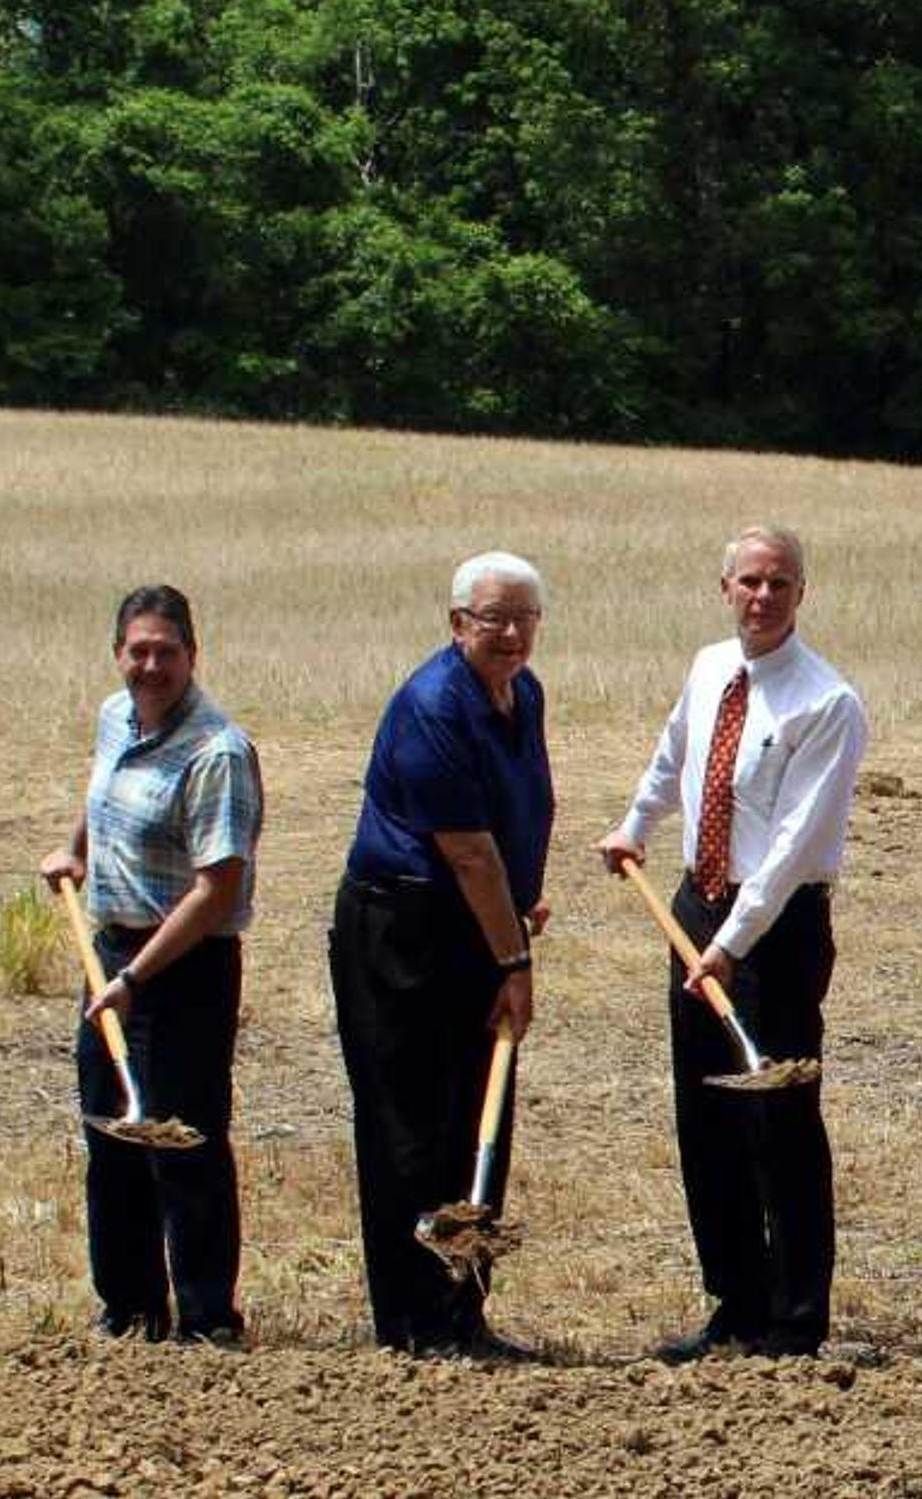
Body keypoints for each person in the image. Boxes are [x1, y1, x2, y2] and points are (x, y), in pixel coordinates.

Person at [595, 527, 866, 1361]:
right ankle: (735, 1303)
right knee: (705, 1112)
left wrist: (735, 942)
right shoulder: (711, 666)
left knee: (776, 1117)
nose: (763, 596)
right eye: (749, 581)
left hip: (775, 928)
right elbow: (678, 749)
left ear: (801, 594)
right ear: (725, 588)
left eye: (779, 583)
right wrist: (636, 823)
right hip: (696, 909)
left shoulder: (827, 703)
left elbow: (791, 846)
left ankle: (793, 1318)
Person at [333, 551, 556, 1359]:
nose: (508, 633)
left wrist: (517, 908)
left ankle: (464, 1312)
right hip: (405, 933)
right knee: (411, 1127)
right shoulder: (431, 704)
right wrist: (514, 961)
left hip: (478, 924)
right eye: (492, 617)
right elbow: (466, 852)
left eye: (523, 617)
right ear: (457, 622)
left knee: (474, 1119)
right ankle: (415, 1323)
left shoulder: (522, 693)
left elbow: (512, 817)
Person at [39, 585, 262, 1346]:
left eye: (166, 651)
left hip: (185, 967)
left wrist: (136, 982)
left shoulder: (217, 752)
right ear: (118, 654)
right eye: (138, 650)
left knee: (181, 1139)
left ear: (192, 656)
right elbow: (104, 790)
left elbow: (217, 888)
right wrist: (74, 845)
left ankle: (207, 1318)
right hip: (113, 952)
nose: (151, 665)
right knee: (111, 1132)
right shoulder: (115, 717)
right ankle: (130, 1307)